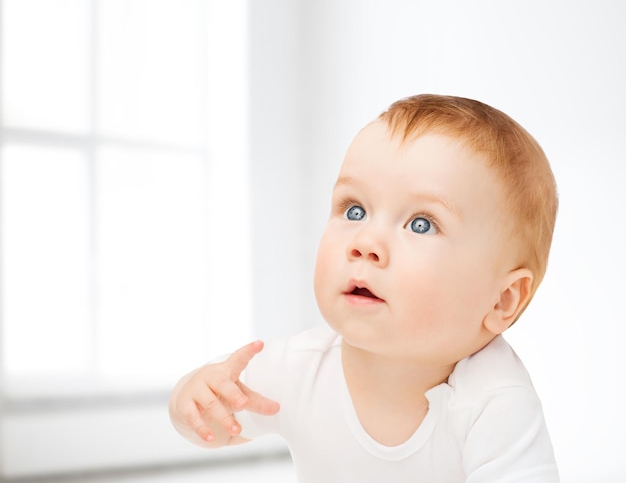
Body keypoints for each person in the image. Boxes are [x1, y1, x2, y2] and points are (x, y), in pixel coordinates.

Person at [169, 94, 560, 482]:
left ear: (502, 299)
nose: (365, 241)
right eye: (354, 210)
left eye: (421, 224)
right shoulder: (302, 366)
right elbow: (216, 429)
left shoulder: (495, 401)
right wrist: (194, 399)